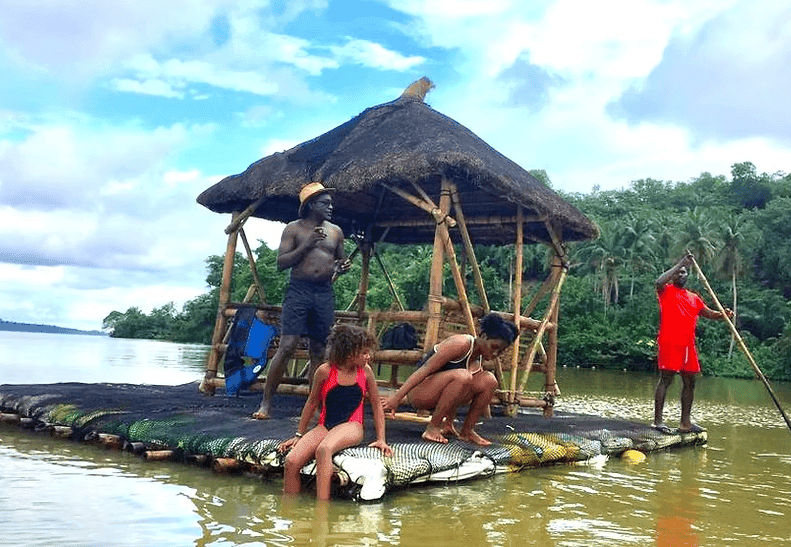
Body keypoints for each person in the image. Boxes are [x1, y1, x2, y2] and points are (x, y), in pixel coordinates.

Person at [253, 182, 352, 420]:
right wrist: (307, 245)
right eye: (325, 203)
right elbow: (281, 263)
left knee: (319, 349)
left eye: (330, 203)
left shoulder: (336, 231)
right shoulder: (293, 229)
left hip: (324, 292)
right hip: (299, 291)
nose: (330, 207)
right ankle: (266, 403)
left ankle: (314, 407)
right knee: (287, 345)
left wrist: (343, 267)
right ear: (310, 205)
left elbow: (339, 262)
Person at [278, 324, 393, 500]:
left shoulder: (366, 372)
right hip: (325, 425)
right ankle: (289, 509)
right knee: (292, 461)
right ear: (349, 353)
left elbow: (377, 406)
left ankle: (321, 512)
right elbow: (311, 403)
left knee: (324, 449)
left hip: (352, 426)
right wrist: (298, 434)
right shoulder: (324, 371)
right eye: (364, 353)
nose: (368, 356)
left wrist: (381, 439)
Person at [382, 313, 519, 447]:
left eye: (500, 351)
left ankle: (467, 431)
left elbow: (459, 388)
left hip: (440, 392)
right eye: (494, 347)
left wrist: (449, 422)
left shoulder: (480, 356)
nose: (495, 353)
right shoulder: (461, 343)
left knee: (489, 380)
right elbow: (425, 370)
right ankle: (432, 428)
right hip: (420, 393)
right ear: (483, 336)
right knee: (463, 375)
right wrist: (396, 398)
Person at [653, 252, 733, 434]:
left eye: (683, 272)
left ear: (687, 276)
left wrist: (723, 314)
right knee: (666, 379)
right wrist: (681, 262)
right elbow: (658, 282)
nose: (681, 275)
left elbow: (709, 313)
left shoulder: (693, 297)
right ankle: (658, 422)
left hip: (688, 345)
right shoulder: (665, 292)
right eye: (677, 273)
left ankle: (685, 423)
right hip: (670, 342)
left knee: (690, 381)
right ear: (672, 276)